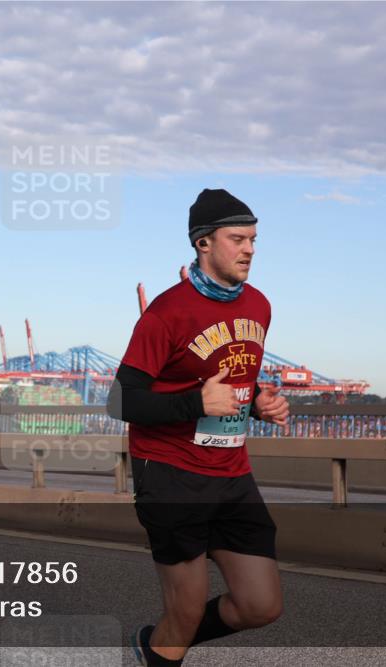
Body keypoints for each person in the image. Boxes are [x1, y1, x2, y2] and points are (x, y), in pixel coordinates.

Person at [108, 188, 290, 666]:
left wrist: (258, 405)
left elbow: (230, 383)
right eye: (237, 239)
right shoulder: (167, 312)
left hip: (231, 473)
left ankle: (155, 647)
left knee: (260, 605)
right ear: (203, 243)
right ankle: (167, 648)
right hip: (171, 474)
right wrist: (194, 401)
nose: (249, 248)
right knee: (184, 613)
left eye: (253, 239)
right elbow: (120, 399)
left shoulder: (260, 306)